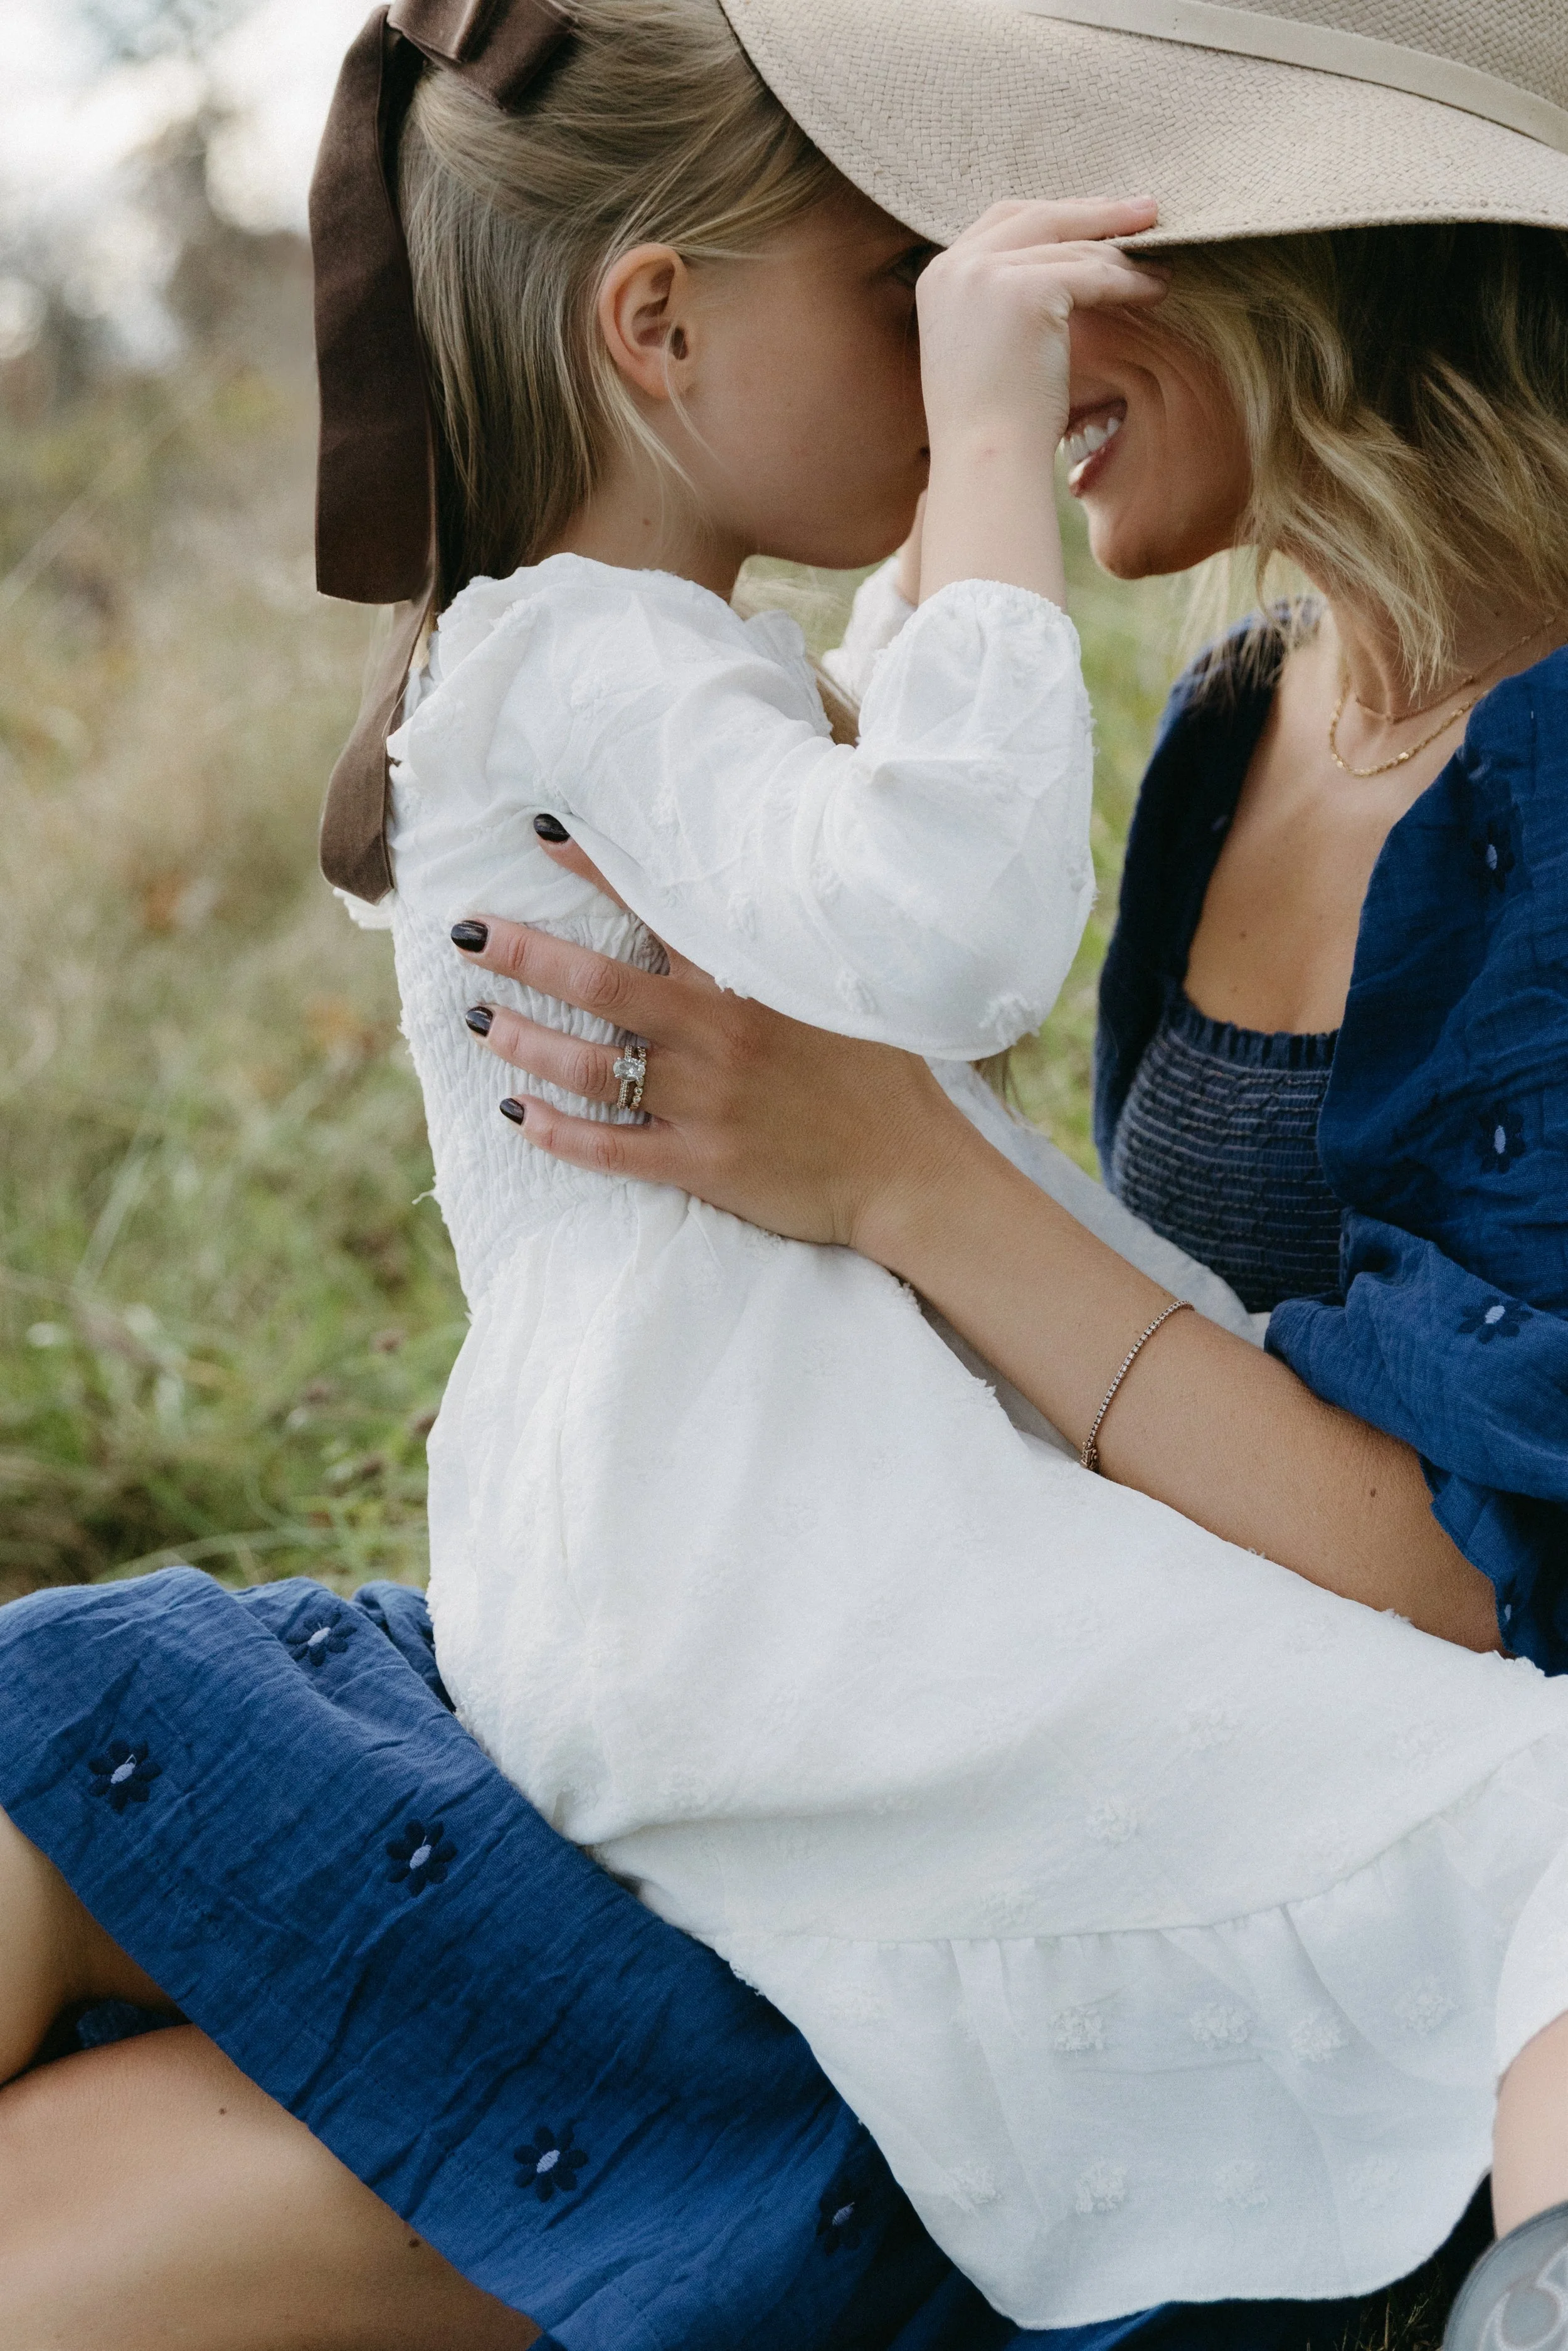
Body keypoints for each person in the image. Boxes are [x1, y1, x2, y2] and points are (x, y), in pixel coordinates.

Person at [2, 4, 1566, 2350]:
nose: (962, 317)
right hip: (848, 1625)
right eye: (914, 258)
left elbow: (1465, 1581)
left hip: (1027, 1721)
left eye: (1006, 228)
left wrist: (904, 1175)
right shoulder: (1245, 715)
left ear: (1278, 249)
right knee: (68, 1712)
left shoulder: (1529, 794)